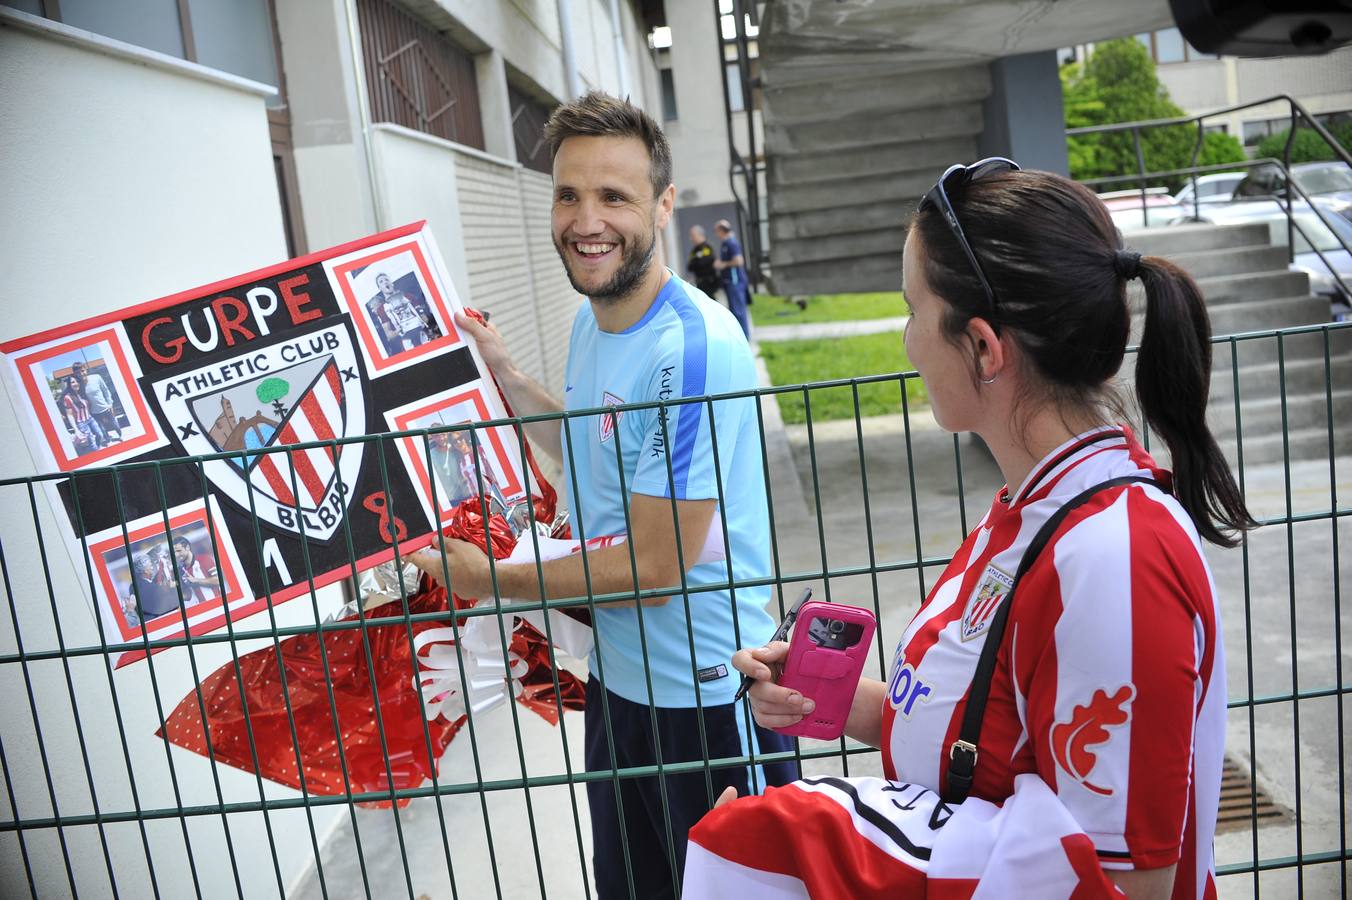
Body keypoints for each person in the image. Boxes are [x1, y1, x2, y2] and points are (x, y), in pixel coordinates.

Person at [714, 160, 1252, 899]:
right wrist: (832, 702)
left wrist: (820, 834)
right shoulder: (1032, 509)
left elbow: (1127, 885)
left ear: (983, 349)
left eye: (911, 310)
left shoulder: (1108, 559)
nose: (906, 340)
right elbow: (986, 737)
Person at [407, 91, 796, 897]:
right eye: (568, 193)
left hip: (709, 698)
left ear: (662, 205)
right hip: (620, 689)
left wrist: (490, 582)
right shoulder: (595, 319)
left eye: (614, 196)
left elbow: (658, 565)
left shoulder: (688, 351)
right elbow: (594, 444)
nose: (587, 220)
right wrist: (510, 380)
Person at [366, 272, 434, 353]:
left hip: (423, 336)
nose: (385, 282)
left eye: (387, 279)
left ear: (392, 283)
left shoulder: (408, 296)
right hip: (407, 343)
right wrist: (397, 331)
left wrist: (421, 320)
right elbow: (389, 335)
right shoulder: (381, 309)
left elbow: (425, 318)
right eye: (381, 281)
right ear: (379, 288)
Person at [712, 220, 751, 338]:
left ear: (722, 231)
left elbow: (739, 261)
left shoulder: (731, 243)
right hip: (730, 282)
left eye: (717, 231)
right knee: (734, 310)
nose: (716, 234)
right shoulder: (725, 243)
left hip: (735, 281)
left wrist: (723, 264)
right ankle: (740, 336)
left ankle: (744, 337)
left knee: (739, 310)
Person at [72, 361, 121, 442]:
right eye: (78, 372)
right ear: (75, 374)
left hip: (105, 408)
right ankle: (108, 440)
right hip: (93, 413)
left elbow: (105, 391)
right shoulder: (78, 386)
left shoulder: (96, 377)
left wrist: (110, 404)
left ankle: (120, 436)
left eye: (82, 371)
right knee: (102, 429)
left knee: (116, 426)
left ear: (86, 370)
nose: (81, 374)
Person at [58, 375, 104, 454]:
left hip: (90, 419)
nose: (76, 383)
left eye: (77, 381)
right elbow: (69, 415)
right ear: (69, 385)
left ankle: (96, 449)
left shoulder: (81, 393)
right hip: (82, 423)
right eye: (73, 382)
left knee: (100, 435)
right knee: (91, 442)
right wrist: (76, 429)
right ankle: (97, 454)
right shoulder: (67, 397)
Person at [171, 535, 219, 606]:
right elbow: (188, 596)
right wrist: (173, 593)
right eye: (174, 552)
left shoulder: (204, 559)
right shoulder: (180, 571)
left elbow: (218, 581)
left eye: (179, 551)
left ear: (187, 547)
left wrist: (196, 580)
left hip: (216, 604)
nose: (176, 555)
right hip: (200, 608)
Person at [685, 225, 720, 298]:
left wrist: (696, 263)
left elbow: (705, 262)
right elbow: (690, 267)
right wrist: (697, 262)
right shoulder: (694, 250)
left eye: (693, 236)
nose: (691, 238)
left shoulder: (707, 247)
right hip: (699, 282)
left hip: (709, 282)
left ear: (699, 235)